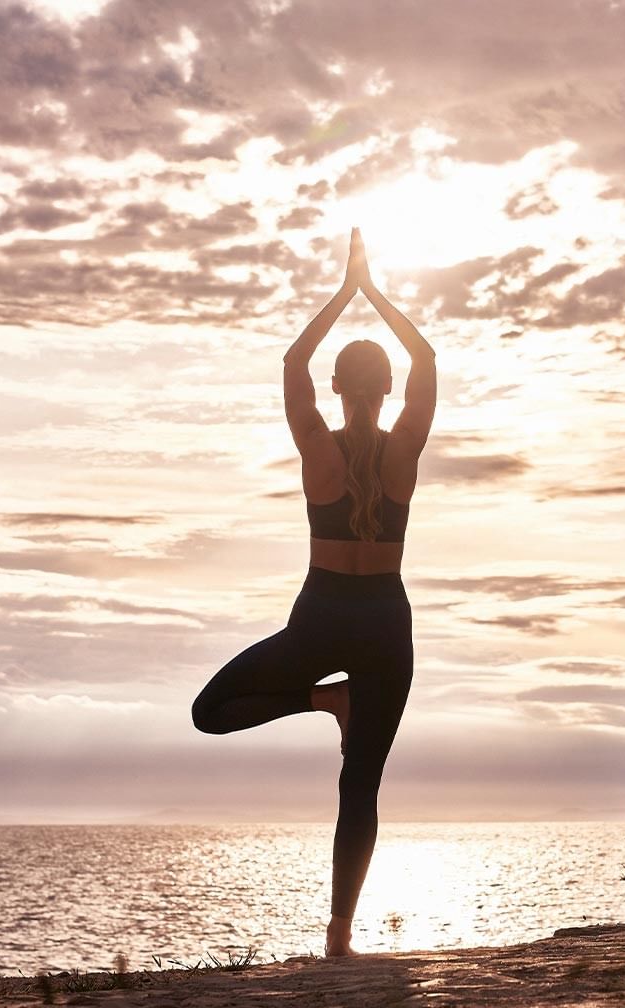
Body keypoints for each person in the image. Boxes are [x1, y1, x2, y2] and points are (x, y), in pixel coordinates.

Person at [192, 228, 436, 958]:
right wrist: (377, 293)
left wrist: (344, 289)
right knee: (359, 786)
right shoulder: (405, 450)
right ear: (388, 390)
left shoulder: (318, 450)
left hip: (322, 618)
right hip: (387, 622)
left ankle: (323, 699)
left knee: (210, 712)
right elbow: (426, 357)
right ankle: (339, 938)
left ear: (336, 389)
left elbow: (294, 359)